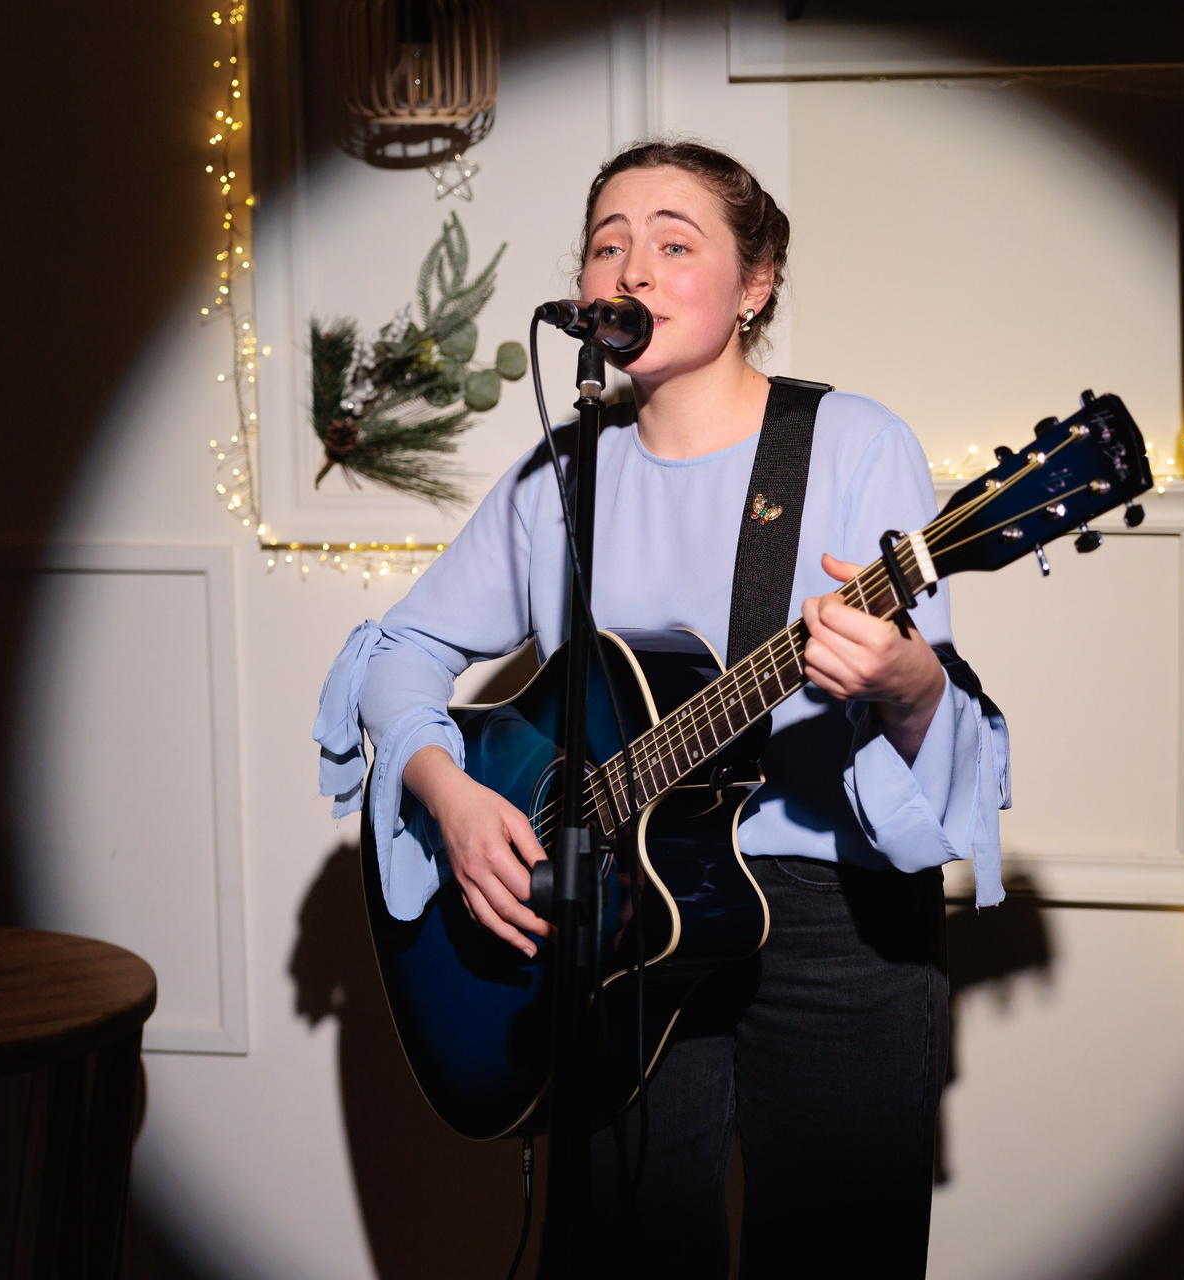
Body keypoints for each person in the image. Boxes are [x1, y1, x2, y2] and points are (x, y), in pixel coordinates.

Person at [315, 140, 1010, 1278]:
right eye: (608, 246)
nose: (632, 269)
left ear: (755, 284)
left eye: (674, 243)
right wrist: (449, 795)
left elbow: (930, 717)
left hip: (831, 923)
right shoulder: (560, 473)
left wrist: (906, 681)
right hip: (619, 916)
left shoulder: (852, 443)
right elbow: (402, 650)